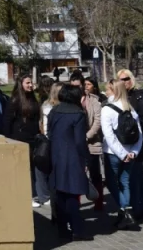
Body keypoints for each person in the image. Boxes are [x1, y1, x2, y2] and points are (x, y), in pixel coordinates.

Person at [47, 84, 93, 241]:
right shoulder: (78, 114)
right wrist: (85, 158)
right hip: (73, 158)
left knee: (60, 194)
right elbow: (80, 141)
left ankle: (62, 230)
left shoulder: (54, 111)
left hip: (56, 156)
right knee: (73, 195)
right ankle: (77, 229)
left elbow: (50, 133)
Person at [102, 80, 142, 230]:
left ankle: (126, 211)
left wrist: (120, 153)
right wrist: (133, 152)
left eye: (107, 90)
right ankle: (124, 214)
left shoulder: (107, 109)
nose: (105, 93)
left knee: (112, 182)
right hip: (130, 153)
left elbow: (108, 135)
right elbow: (140, 134)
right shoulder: (130, 108)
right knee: (124, 182)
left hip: (113, 153)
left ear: (114, 91)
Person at [119, 69, 143, 221]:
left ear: (131, 79)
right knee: (139, 175)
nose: (123, 82)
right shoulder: (123, 96)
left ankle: (139, 208)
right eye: (120, 79)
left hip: (138, 141)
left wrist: (134, 131)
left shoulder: (139, 95)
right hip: (129, 141)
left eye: (126, 79)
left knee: (135, 175)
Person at [4, 75, 41, 206]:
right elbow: (7, 121)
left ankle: (36, 194)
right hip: (20, 138)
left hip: (33, 137)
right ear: (21, 84)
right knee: (25, 168)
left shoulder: (32, 98)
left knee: (33, 166)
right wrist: (8, 139)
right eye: (27, 83)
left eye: (31, 82)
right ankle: (28, 197)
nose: (30, 85)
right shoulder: (15, 100)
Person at [71, 71, 104, 212]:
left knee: (95, 174)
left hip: (92, 144)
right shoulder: (70, 101)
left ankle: (98, 202)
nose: (75, 89)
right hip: (74, 144)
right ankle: (76, 203)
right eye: (72, 86)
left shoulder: (94, 101)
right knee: (77, 174)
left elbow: (97, 122)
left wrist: (86, 136)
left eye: (78, 86)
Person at [34, 79, 59, 208]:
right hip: (49, 140)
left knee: (45, 169)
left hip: (48, 139)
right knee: (43, 169)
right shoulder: (48, 106)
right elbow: (43, 124)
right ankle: (46, 195)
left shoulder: (45, 105)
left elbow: (42, 124)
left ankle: (47, 195)